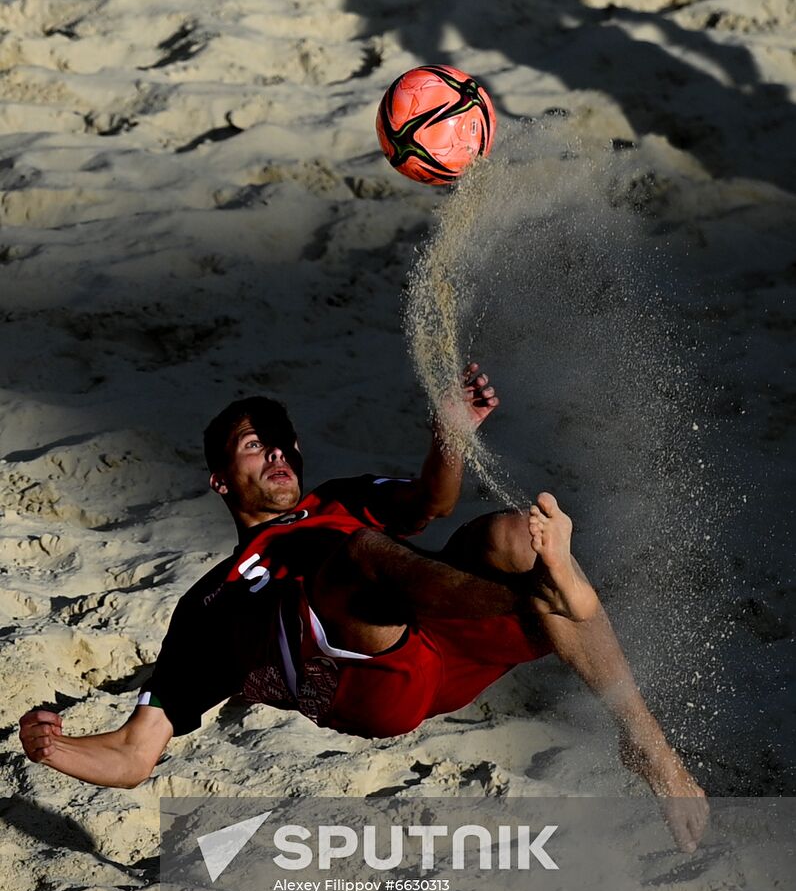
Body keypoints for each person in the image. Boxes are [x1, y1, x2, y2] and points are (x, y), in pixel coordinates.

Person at [19, 363, 708, 851]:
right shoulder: (210, 600)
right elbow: (135, 756)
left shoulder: (338, 499)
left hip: (442, 638)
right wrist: (55, 750)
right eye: (255, 446)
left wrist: (449, 436)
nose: (279, 454)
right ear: (219, 479)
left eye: (283, 442)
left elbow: (432, 504)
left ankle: (646, 743)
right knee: (356, 556)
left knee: (507, 535)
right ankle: (546, 602)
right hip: (364, 685)